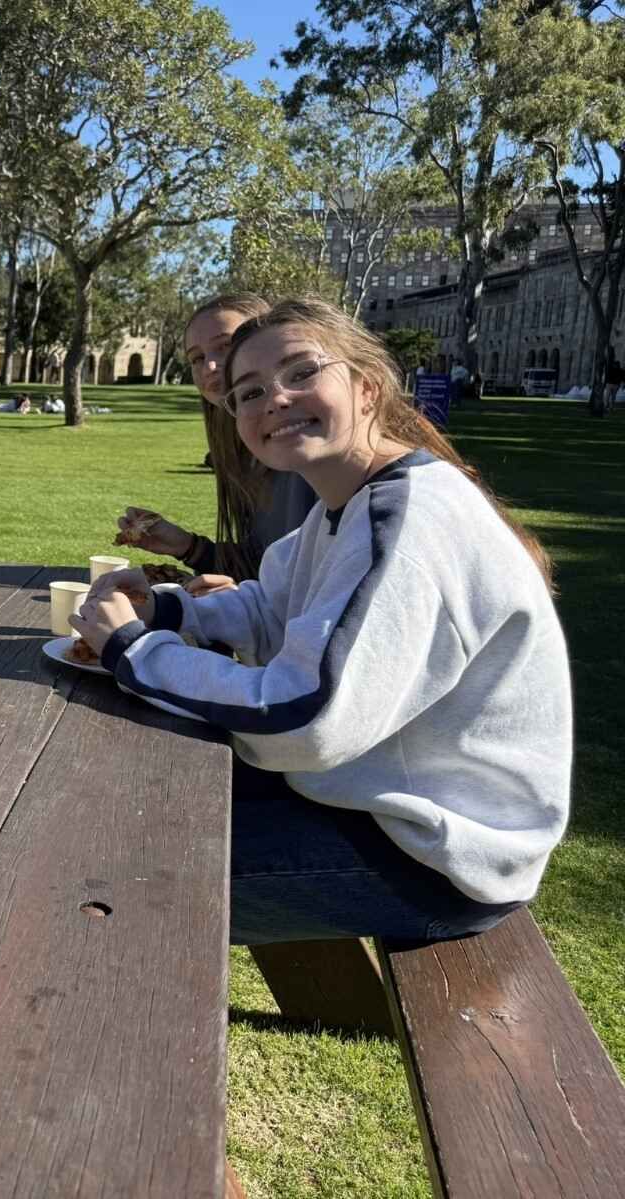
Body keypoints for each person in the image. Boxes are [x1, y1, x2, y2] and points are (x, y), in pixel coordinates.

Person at [74, 297, 569, 945]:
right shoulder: (347, 504)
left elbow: (304, 717)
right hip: (368, 798)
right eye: (250, 392)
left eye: (302, 372)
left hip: (434, 858)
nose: (275, 398)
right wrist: (170, 608)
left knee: (99, 873)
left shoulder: (406, 523)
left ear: (367, 386)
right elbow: (271, 606)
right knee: (117, 800)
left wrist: (135, 650)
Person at [115, 294, 318, 583]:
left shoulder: (304, 451)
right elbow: (262, 567)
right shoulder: (244, 453)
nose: (209, 366)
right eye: (197, 358)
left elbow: (301, 585)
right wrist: (189, 547)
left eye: (225, 346)